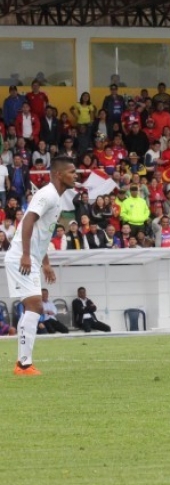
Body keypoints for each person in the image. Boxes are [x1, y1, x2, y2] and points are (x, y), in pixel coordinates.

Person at [4, 156, 75, 375]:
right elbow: (27, 221)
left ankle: (23, 363)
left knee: (34, 306)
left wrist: (45, 263)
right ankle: (23, 365)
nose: (75, 176)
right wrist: (25, 255)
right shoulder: (47, 194)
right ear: (58, 174)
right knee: (34, 305)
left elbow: (42, 234)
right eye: (71, 172)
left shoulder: (57, 199)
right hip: (21, 257)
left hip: (31, 258)